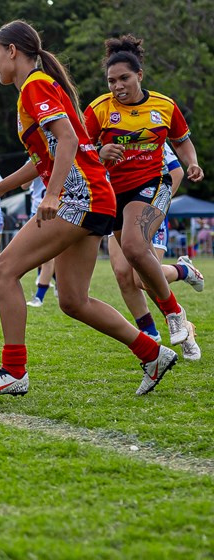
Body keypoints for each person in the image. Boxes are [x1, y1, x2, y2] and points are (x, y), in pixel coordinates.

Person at [0, 20, 178, 397]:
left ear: (13, 51)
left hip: (82, 197)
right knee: (73, 301)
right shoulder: (36, 88)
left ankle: (13, 371)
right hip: (95, 197)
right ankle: (151, 353)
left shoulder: (35, 85)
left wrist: (52, 195)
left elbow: (64, 140)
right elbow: (43, 157)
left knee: (4, 271)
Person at [84, 34, 204, 351]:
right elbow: (79, 151)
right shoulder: (98, 109)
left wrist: (192, 163)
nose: (117, 86)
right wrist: (100, 150)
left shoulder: (164, 106)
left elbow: (181, 141)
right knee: (125, 274)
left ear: (139, 75)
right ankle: (151, 334)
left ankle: (174, 314)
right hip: (115, 196)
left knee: (136, 249)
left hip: (153, 184)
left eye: (124, 78)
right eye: (111, 80)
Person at [105, 144, 202, 359]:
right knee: (122, 273)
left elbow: (176, 171)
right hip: (116, 211)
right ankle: (149, 334)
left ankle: (182, 273)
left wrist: (158, 207)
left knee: (144, 280)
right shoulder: (101, 123)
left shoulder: (145, 126)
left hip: (147, 210)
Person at [21, 168, 56, 307]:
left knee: (48, 256)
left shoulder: (64, 155)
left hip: (56, 211)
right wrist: (36, 164)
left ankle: (39, 297)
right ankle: (57, 282)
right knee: (40, 253)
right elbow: (24, 185)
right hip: (36, 213)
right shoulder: (34, 159)